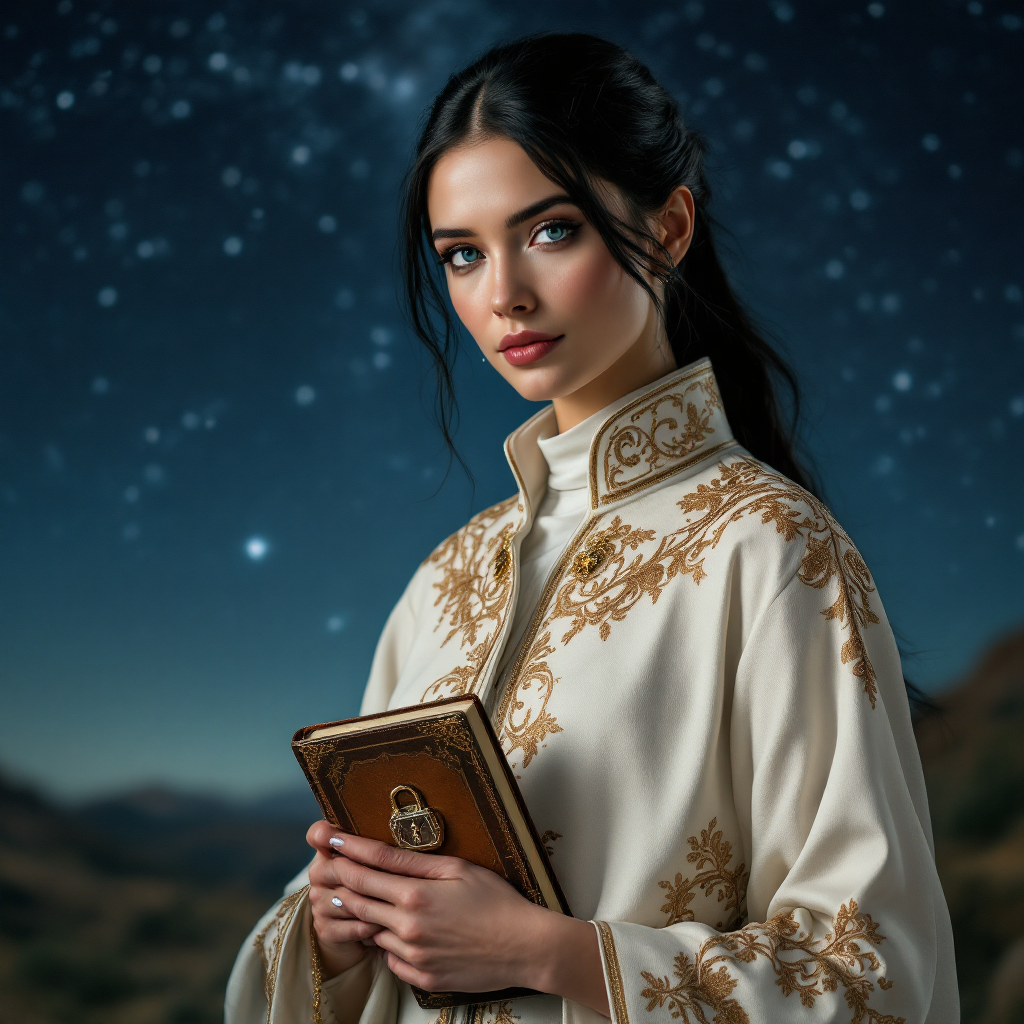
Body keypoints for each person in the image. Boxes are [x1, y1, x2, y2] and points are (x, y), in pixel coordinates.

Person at [225, 33, 958, 1024]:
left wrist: (560, 955)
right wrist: (334, 923)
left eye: (551, 231)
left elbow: (872, 977)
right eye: (463, 254)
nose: (503, 296)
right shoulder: (446, 577)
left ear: (668, 226)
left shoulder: (769, 548)